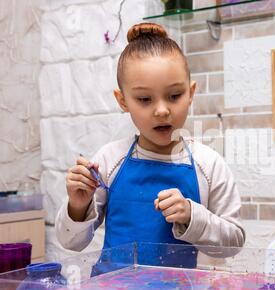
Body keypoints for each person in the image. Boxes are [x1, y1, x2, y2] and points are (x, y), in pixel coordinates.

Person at [55, 23, 245, 270]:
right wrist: (78, 206)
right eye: (144, 99)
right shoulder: (109, 159)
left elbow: (234, 243)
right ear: (122, 101)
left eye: (175, 95)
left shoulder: (209, 165)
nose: (162, 110)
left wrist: (191, 215)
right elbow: (71, 242)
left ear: (191, 93)